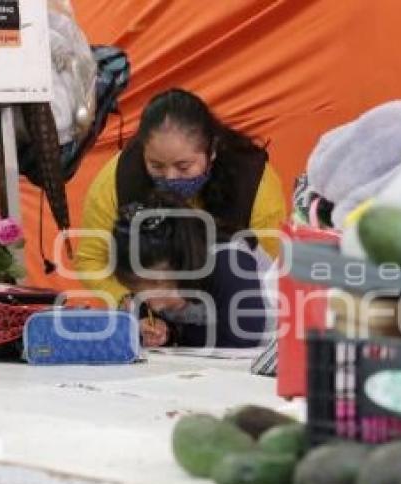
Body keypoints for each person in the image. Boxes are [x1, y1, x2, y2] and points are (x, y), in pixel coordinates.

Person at [76, 88, 286, 306]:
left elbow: (270, 270)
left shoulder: (253, 183)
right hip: (151, 316)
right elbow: (91, 261)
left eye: (183, 166)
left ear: (211, 151)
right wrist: (127, 300)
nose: (170, 178)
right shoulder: (117, 179)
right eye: (156, 166)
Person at [113, 201, 267, 348]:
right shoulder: (151, 276)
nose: (153, 305)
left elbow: (243, 338)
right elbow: (135, 320)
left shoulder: (230, 262)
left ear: (184, 263)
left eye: (155, 285)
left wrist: (176, 333)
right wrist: (146, 328)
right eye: (137, 292)